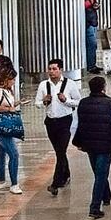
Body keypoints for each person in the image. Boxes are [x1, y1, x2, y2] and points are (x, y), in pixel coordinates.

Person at [70, 77, 111, 219]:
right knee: (101, 174)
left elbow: (75, 124)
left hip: (89, 144)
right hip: (106, 144)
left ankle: (106, 195)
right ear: (104, 88)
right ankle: (95, 207)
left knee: (98, 172)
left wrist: (77, 141)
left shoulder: (83, 104)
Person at [34, 58, 82, 196]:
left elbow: (78, 102)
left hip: (65, 121)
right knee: (59, 152)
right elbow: (37, 103)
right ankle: (66, 174)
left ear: (61, 70)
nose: (51, 71)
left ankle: (55, 183)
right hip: (50, 122)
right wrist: (43, 102)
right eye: (50, 69)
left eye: (54, 69)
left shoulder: (70, 84)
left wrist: (66, 100)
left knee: (61, 151)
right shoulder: (44, 85)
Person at [0, 73, 23, 194]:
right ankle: (14, 184)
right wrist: (9, 109)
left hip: (6, 125)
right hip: (1, 126)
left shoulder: (8, 91)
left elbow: (7, 104)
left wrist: (17, 103)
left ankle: (1, 181)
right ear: (5, 80)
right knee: (14, 153)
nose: (13, 81)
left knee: (2, 152)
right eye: (12, 79)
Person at [84, 0, 101, 74]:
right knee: (91, 44)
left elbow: (93, 3)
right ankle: (91, 66)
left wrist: (96, 5)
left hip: (93, 22)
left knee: (93, 45)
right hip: (88, 23)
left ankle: (93, 64)